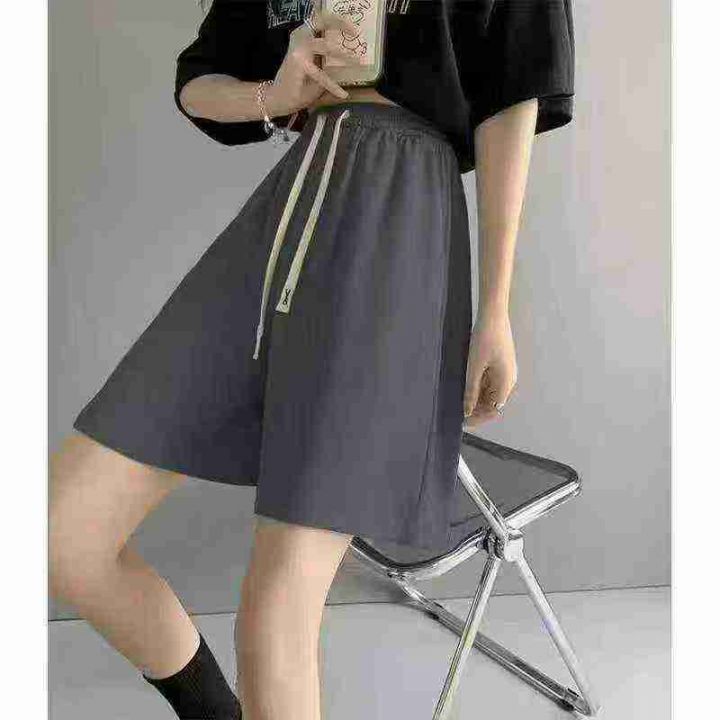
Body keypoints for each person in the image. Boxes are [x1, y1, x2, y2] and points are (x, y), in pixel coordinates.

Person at [49, 1, 575, 718]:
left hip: (398, 220)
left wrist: (496, 308)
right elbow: (197, 81)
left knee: (274, 613)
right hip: (281, 220)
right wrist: (274, 95)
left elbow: (512, 96)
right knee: (61, 535)